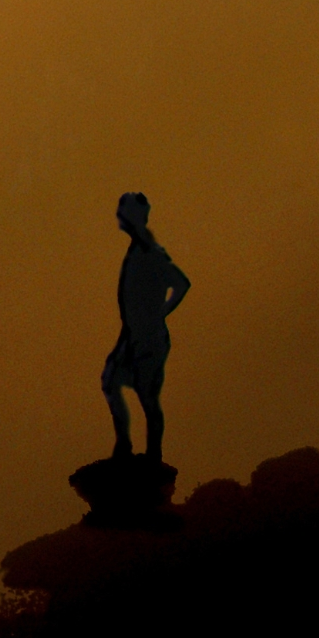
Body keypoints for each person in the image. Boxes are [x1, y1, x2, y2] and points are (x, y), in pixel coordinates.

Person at [102, 192, 189, 460]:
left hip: (149, 338)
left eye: (123, 211)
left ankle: (153, 456)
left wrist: (159, 314)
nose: (118, 216)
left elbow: (181, 283)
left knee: (147, 396)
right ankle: (124, 445)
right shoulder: (137, 250)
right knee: (110, 380)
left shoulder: (150, 253)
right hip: (131, 335)